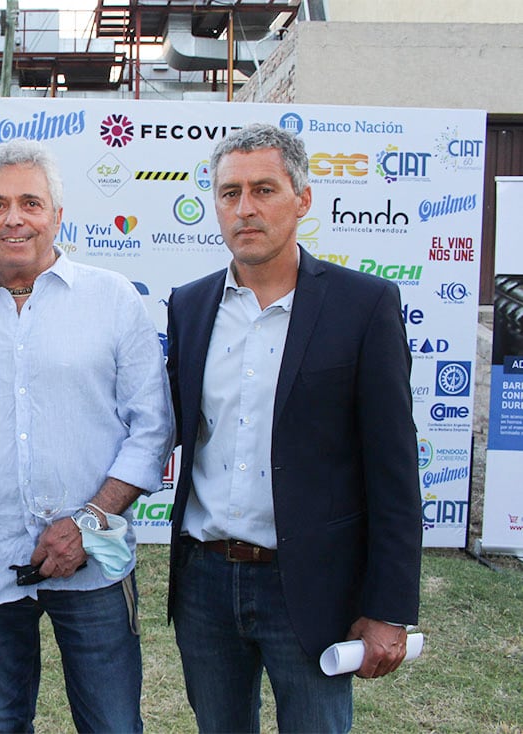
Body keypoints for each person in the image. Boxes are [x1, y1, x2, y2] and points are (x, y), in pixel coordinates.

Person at [165, 123, 422, 733]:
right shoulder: (189, 305)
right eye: (229, 193)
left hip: (311, 584)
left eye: (264, 189)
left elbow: (393, 468)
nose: (245, 208)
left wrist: (388, 608)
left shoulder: (363, 306)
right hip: (204, 579)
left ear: (302, 199)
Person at [0, 139, 176, 733]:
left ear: (58, 215)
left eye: (30, 203)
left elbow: (153, 429)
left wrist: (88, 521)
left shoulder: (113, 299)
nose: (13, 218)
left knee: (112, 725)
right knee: (1, 722)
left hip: (92, 562)